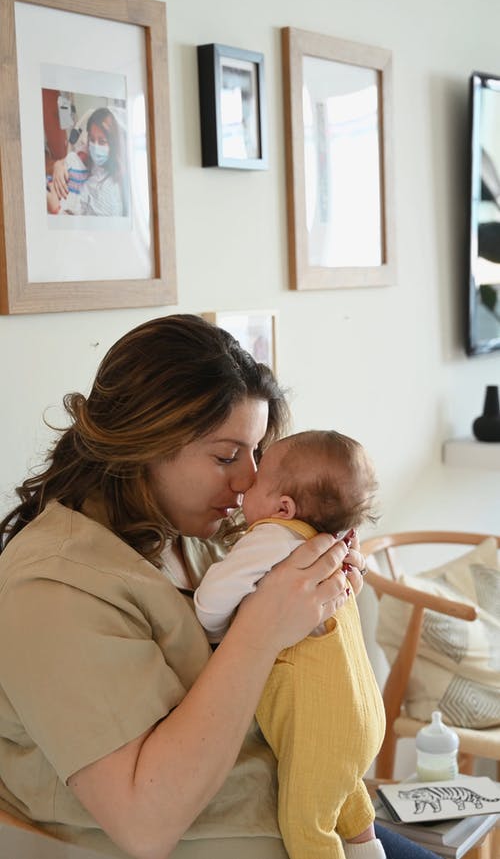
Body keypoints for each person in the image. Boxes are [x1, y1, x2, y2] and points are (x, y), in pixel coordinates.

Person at [0, 314, 442, 859]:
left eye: (255, 453)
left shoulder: (193, 535)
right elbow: (146, 824)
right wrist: (260, 631)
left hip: (308, 816)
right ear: (143, 443)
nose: (249, 480)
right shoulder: (54, 588)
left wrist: (324, 574)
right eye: (226, 456)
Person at [195, 430, 385, 859]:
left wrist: (216, 630)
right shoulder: (332, 545)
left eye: (258, 481)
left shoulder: (271, 538)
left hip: (318, 724)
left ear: (283, 506)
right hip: (362, 718)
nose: (246, 485)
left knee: (306, 826)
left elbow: (210, 603)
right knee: (346, 799)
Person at [47, 106, 126, 217]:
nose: (95, 146)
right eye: (92, 139)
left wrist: (56, 209)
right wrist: (58, 165)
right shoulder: (91, 155)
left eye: (102, 141)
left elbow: (84, 233)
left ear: (114, 144)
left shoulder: (108, 194)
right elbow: (72, 158)